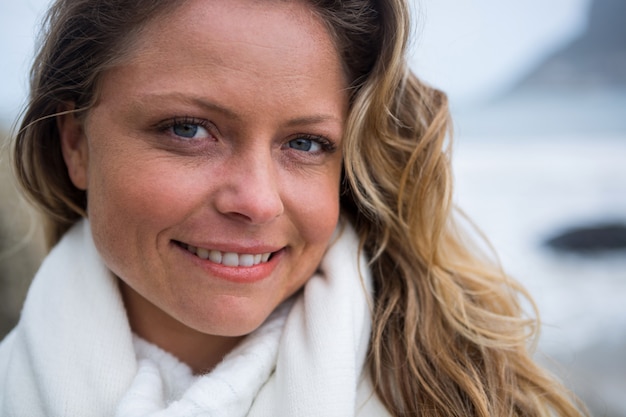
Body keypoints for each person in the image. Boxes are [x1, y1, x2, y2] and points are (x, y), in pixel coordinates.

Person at [0, 0, 588, 415]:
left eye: (305, 144)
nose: (256, 200)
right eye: (187, 129)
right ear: (75, 141)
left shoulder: (471, 402)